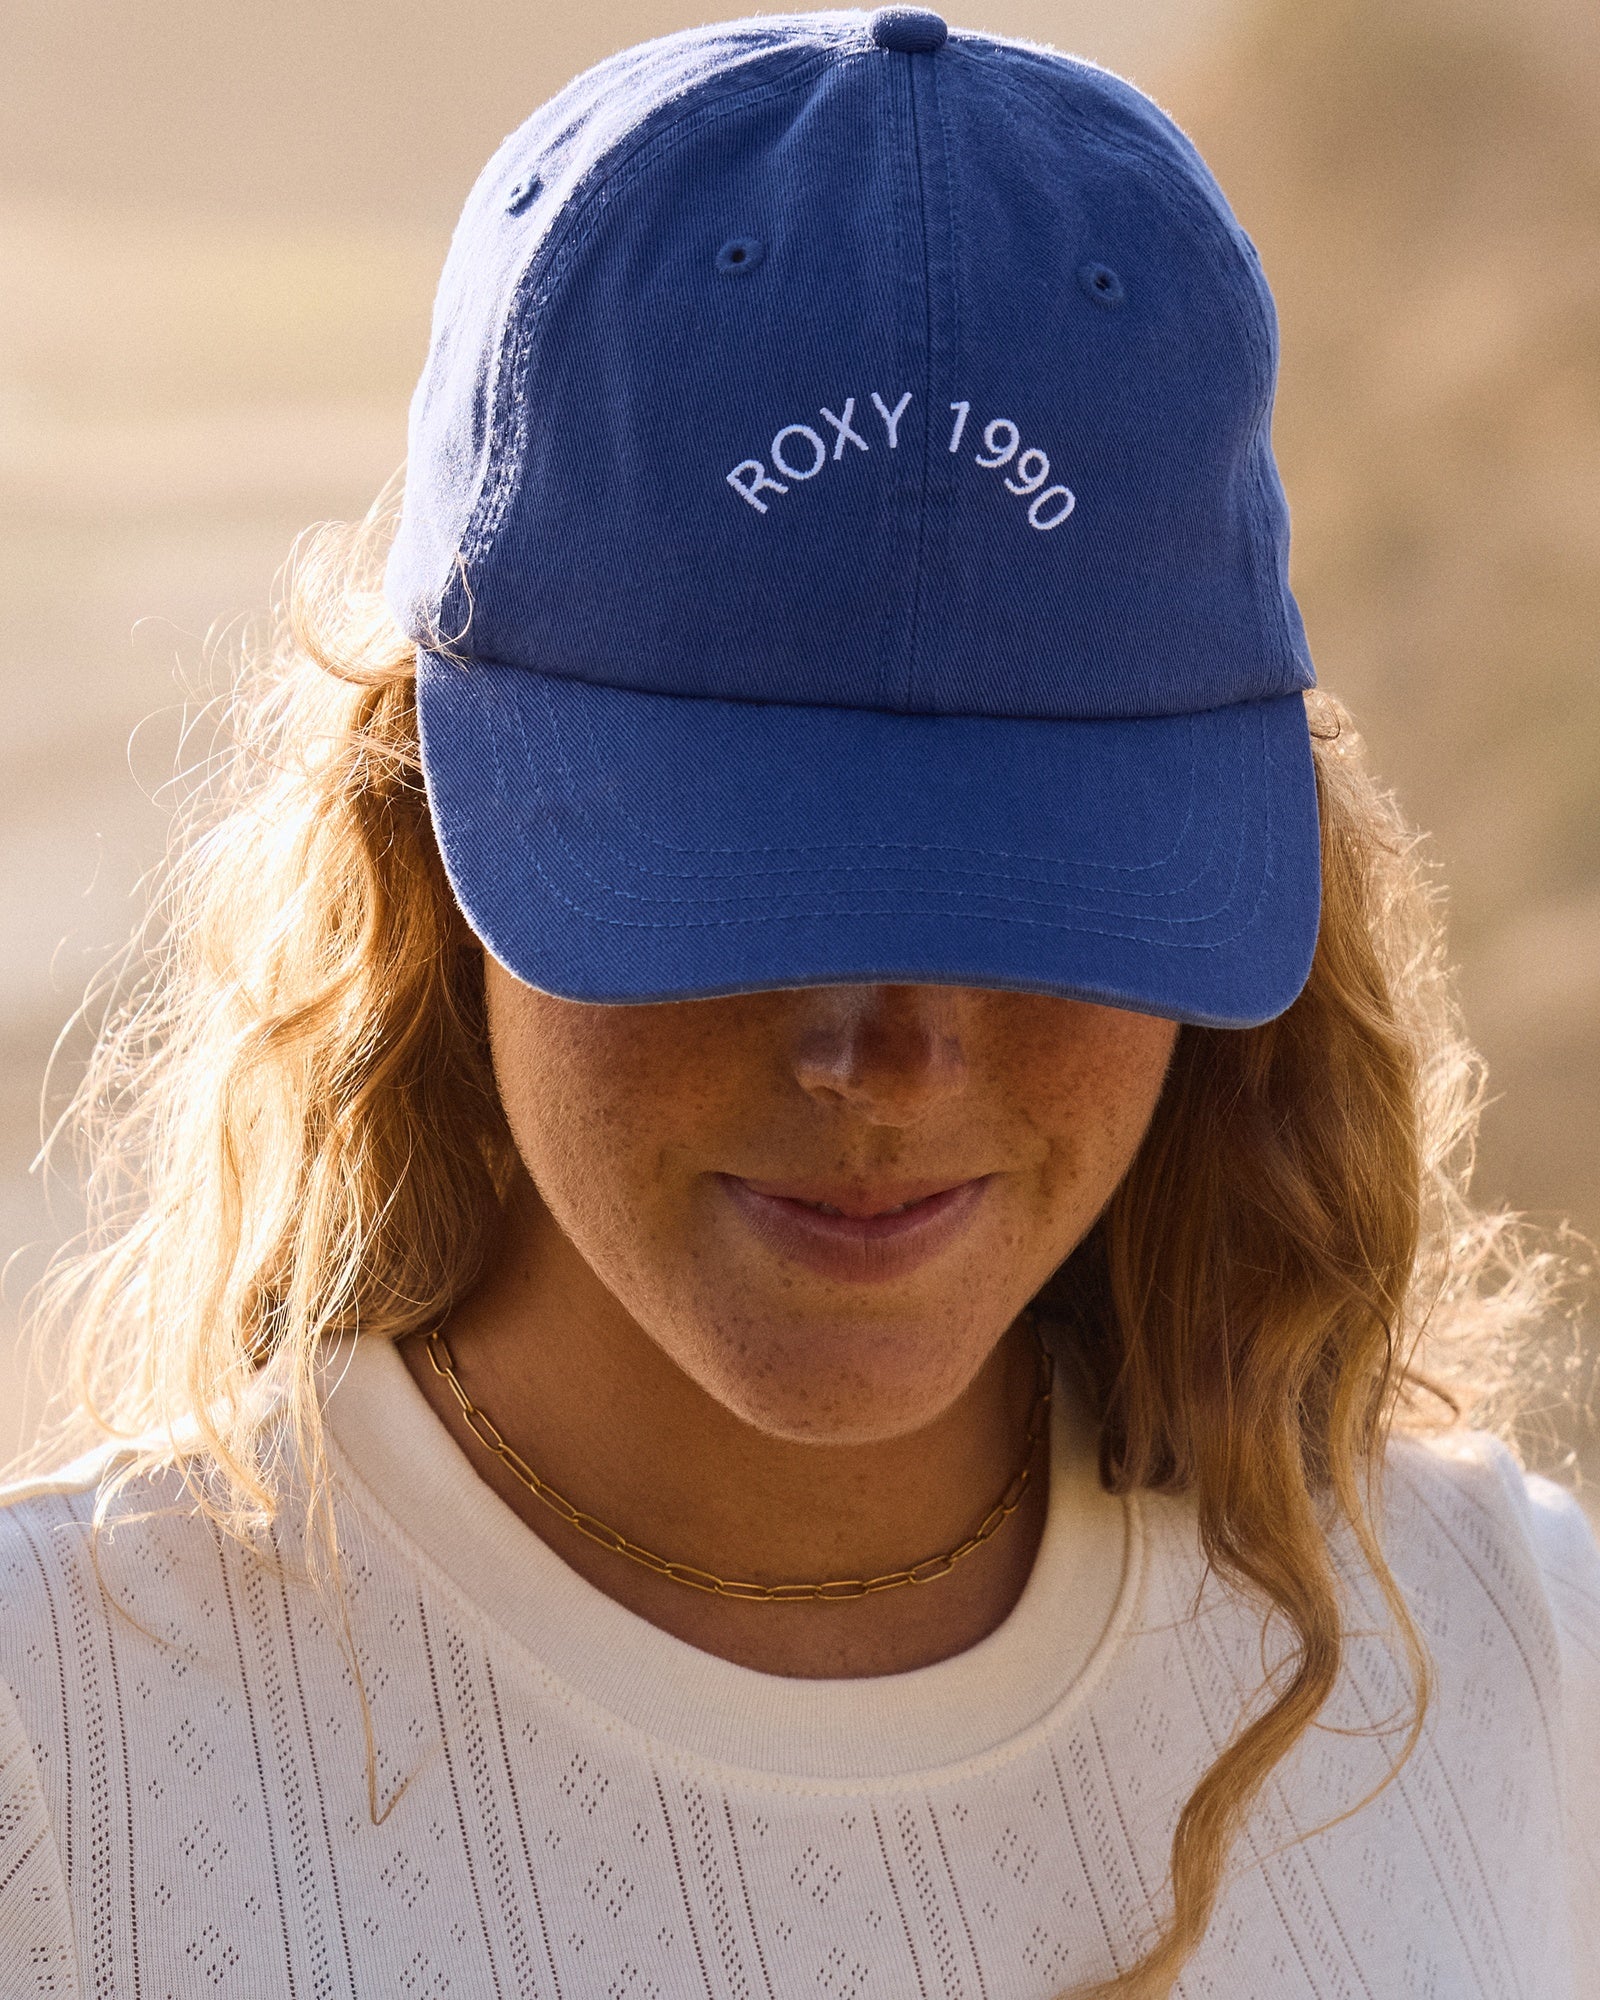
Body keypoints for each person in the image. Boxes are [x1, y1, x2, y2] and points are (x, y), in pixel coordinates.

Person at [1, 10, 1595, 1997]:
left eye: (1028, 889)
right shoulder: (58, 1770)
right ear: (424, 838)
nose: (886, 1058)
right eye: (746, 885)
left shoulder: (1509, 1669)